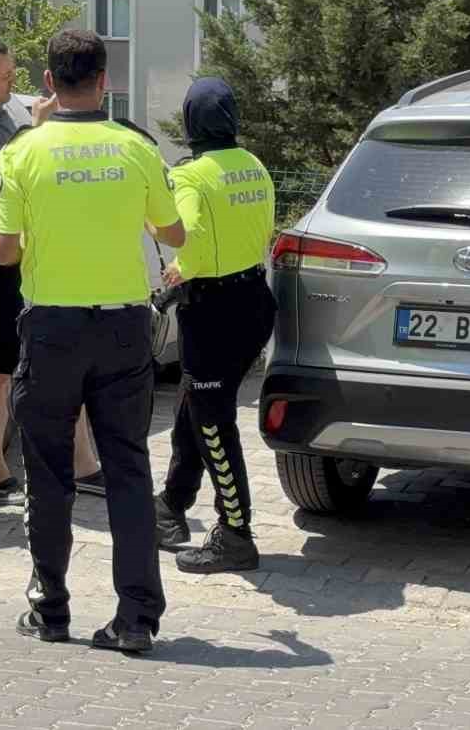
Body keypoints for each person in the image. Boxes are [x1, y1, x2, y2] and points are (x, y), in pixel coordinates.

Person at [0, 29, 185, 655]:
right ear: (105, 81)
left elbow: (2, 249)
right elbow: (174, 233)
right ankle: (136, 619)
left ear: (48, 82)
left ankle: (50, 607)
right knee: (127, 468)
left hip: (51, 329)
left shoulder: (23, 153)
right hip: (122, 328)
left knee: (48, 473)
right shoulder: (135, 147)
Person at [0, 37, 109, 505]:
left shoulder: (11, 110)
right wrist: (37, 132)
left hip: (44, 259)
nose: (16, 82)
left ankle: (85, 465)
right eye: (6, 75)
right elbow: (11, 180)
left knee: (62, 360)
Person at [153, 78, 277, 574]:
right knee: (197, 399)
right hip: (253, 302)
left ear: (189, 122)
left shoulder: (192, 175)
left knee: (213, 422)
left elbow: (194, 238)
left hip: (213, 310)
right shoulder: (254, 166)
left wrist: (180, 268)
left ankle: (235, 533)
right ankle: (173, 504)